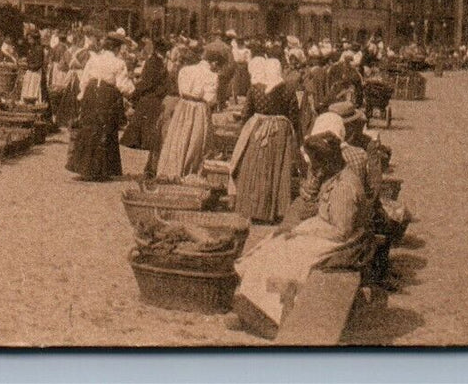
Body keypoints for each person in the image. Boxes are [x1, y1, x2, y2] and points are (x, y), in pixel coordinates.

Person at [232, 131, 370, 337]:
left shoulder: (344, 187)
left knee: (287, 255)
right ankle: (255, 305)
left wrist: (303, 231)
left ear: (326, 162)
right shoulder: (334, 177)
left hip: (345, 244)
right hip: (329, 233)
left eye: (315, 163)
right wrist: (298, 230)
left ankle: (274, 316)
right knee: (273, 243)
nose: (313, 168)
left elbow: (341, 231)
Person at [229, 60, 301, 223]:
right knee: (277, 169)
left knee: (256, 168)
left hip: (258, 131)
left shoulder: (255, 89)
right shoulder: (288, 89)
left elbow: (246, 112)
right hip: (280, 133)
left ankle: (254, 208)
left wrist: (247, 129)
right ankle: (276, 209)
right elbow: (294, 115)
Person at [154, 40, 226, 180]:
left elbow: (181, 91)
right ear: (214, 63)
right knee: (196, 140)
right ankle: (189, 170)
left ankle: (172, 169)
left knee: (178, 137)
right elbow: (210, 99)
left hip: (183, 106)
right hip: (199, 108)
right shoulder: (212, 76)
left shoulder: (185, 70)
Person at [67, 33, 135, 181]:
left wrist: (82, 97)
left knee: (89, 128)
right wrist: (133, 92)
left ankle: (84, 167)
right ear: (116, 49)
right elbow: (123, 86)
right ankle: (101, 170)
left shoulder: (94, 59)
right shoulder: (118, 63)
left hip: (91, 94)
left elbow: (84, 80)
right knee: (105, 130)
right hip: (106, 96)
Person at [120, 36, 171, 156]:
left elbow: (147, 81)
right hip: (154, 95)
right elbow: (150, 81)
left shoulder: (154, 61)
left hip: (150, 95)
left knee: (143, 116)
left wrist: (136, 91)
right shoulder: (157, 61)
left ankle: (141, 141)